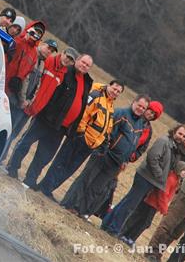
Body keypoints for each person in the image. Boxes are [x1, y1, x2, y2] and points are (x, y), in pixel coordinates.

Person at [6, 53, 93, 189]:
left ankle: (30, 180)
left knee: (45, 155)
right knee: (26, 142)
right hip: (46, 118)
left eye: (88, 65)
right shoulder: (66, 72)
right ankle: (12, 167)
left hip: (61, 127)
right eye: (83, 62)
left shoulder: (87, 82)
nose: (84, 66)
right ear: (77, 61)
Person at [60, 94, 151, 216]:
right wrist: (105, 148)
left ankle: (80, 211)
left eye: (143, 108)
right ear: (134, 102)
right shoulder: (121, 113)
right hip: (104, 155)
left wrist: (126, 160)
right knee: (86, 180)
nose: (141, 109)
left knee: (96, 188)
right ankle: (69, 203)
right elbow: (107, 130)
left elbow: (134, 144)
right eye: (139, 105)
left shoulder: (140, 125)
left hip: (117, 163)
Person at [36, 80, 124, 198]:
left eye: (118, 92)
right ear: (109, 86)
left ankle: (49, 188)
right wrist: (81, 133)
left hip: (91, 144)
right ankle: (45, 186)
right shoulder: (96, 96)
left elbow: (107, 125)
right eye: (114, 89)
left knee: (70, 169)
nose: (115, 92)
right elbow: (84, 114)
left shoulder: (110, 105)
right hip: (79, 137)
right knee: (61, 162)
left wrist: (103, 141)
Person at [102, 123, 185, 236]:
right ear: (174, 131)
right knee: (130, 205)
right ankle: (113, 228)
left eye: (184, 136)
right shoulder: (164, 141)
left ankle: (107, 223)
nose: (181, 137)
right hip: (145, 177)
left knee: (128, 201)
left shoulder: (173, 146)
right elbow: (152, 157)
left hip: (151, 179)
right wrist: (159, 174)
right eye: (180, 133)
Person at [120, 160, 185, 247]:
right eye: (184, 171)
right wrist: (164, 209)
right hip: (152, 203)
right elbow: (163, 194)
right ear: (179, 169)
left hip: (155, 204)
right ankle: (128, 236)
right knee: (143, 221)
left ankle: (128, 236)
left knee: (142, 220)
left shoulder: (177, 180)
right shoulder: (171, 179)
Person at [7, 39, 63, 144]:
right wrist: (23, 100)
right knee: (8, 132)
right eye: (48, 48)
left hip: (26, 104)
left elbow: (38, 85)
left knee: (13, 134)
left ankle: (1, 158)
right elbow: (25, 79)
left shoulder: (42, 62)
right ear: (42, 44)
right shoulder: (32, 55)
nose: (49, 52)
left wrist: (30, 101)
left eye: (52, 51)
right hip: (15, 101)